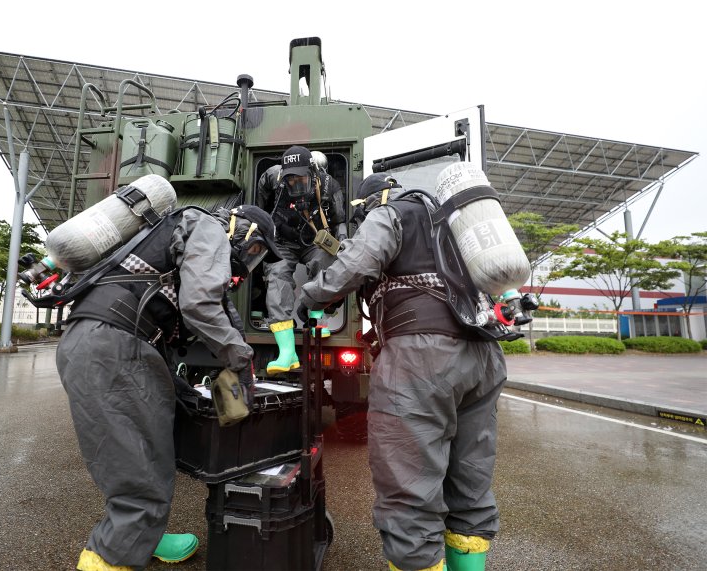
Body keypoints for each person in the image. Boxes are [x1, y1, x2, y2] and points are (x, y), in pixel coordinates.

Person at [296, 172, 507, 571]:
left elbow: (354, 265)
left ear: (371, 201)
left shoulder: (392, 214)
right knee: (471, 483)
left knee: (409, 488)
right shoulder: (455, 222)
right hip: (483, 354)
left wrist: (309, 297)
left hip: (423, 356)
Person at [56, 203, 281, 571]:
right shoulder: (209, 227)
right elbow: (200, 304)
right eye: (255, 250)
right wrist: (240, 359)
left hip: (105, 343)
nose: (249, 261)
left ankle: (145, 539)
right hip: (112, 347)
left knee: (147, 451)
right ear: (242, 229)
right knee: (138, 471)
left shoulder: (178, 227)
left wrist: (179, 388)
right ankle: (110, 559)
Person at [258, 145, 347, 375]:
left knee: (324, 263)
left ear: (312, 173)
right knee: (276, 278)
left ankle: (318, 320)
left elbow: (339, 221)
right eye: (291, 178)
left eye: (301, 177)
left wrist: (344, 243)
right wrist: (260, 216)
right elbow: (262, 186)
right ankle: (287, 353)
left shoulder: (329, 186)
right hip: (283, 240)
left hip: (314, 240)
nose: (295, 182)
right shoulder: (274, 176)